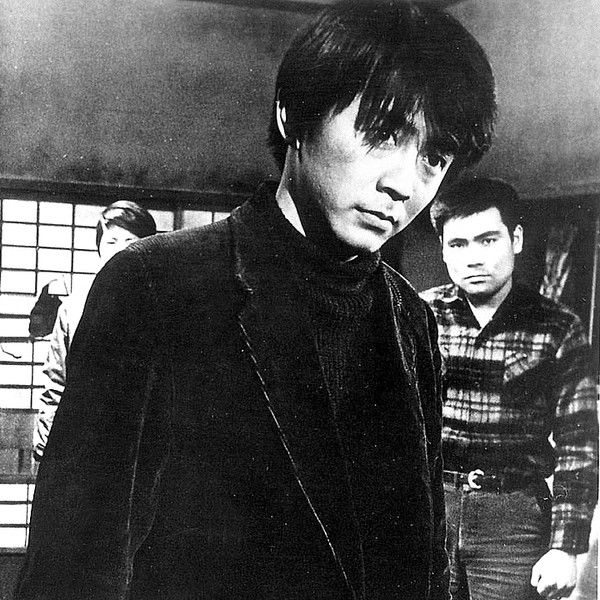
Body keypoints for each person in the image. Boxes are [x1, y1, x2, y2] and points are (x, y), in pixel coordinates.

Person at [15, 2, 496, 599]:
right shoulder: (157, 286)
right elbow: (74, 565)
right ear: (293, 113)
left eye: (434, 158)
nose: (403, 183)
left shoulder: (411, 319)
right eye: (382, 134)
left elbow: (428, 559)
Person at [420, 178, 598, 600]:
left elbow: (579, 445)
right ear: (443, 250)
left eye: (488, 240)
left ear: (515, 239)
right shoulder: (418, 313)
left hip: (513, 522)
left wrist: (565, 548)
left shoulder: (559, 328)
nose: (473, 258)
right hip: (426, 512)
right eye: (458, 244)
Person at [32, 200, 157, 459]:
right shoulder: (73, 306)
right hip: (82, 439)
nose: (120, 251)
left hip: (141, 441)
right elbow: (56, 382)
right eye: (111, 242)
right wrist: (45, 444)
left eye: (131, 242)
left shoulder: (163, 304)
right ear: (99, 248)